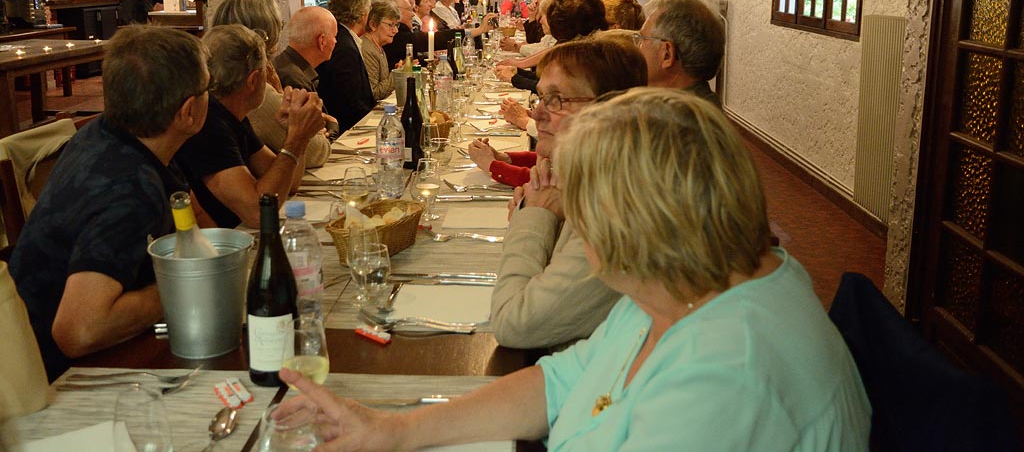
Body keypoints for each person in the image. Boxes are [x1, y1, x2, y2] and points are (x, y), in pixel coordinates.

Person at [278, 88, 872, 451]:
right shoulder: (687, 281)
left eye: (575, 205)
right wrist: (394, 430)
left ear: (624, 225)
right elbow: (561, 382)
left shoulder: (728, 376)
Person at [10, 26, 209, 380]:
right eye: (208, 88)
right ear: (188, 111)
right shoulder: (130, 189)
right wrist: (181, 286)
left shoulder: (111, 133)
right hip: (56, 381)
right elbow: (79, 330)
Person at [473, 38, 647, 348]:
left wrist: (533, 219)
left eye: (556, 100)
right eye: (541, 97)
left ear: (609, 109)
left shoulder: (611, 208)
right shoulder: (582, 180)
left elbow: (512, 323)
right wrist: (544, 219)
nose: (537, 113)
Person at [176, 24, 325, 228]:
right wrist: (296, 139)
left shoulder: (232, 115)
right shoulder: (209, 123)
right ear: (254, 80)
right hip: (220, 248)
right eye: (267, 71)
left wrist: (298, 133)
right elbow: (259, 212)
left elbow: (288, 184)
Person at [211, 0, 333, 165]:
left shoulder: (215, 80)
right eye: (280, 26)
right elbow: (316, 153)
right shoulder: (247, 90)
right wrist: (306, 130)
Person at [637, 0, 725, 108]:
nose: (637, 48)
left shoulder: (672, 120)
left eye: (641, 40)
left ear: (667, 54)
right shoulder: (699, 105)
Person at [317, 0, 377, 132]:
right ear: (364, 13)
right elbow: (350, 102)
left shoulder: (343, 36)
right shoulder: (344, 46)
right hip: (347, 131)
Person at [382, 0, 496, 70]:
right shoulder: (398, 35)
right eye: (409, 9)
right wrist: (478, 30)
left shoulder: (402, 31)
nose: (412, 14)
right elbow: (435, 39)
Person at [274, 6, 338, 92]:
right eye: (334, 36)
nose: (336, 41)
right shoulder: (297, 82)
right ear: (322, 41)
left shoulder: (281, 62)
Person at [360, 0, 401, 100]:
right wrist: (398, 74)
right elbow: (374, 93)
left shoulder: (378, 47)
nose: (395, 30)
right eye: (390, 25)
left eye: (396, 25)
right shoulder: (367, 49)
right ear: (373, 25)